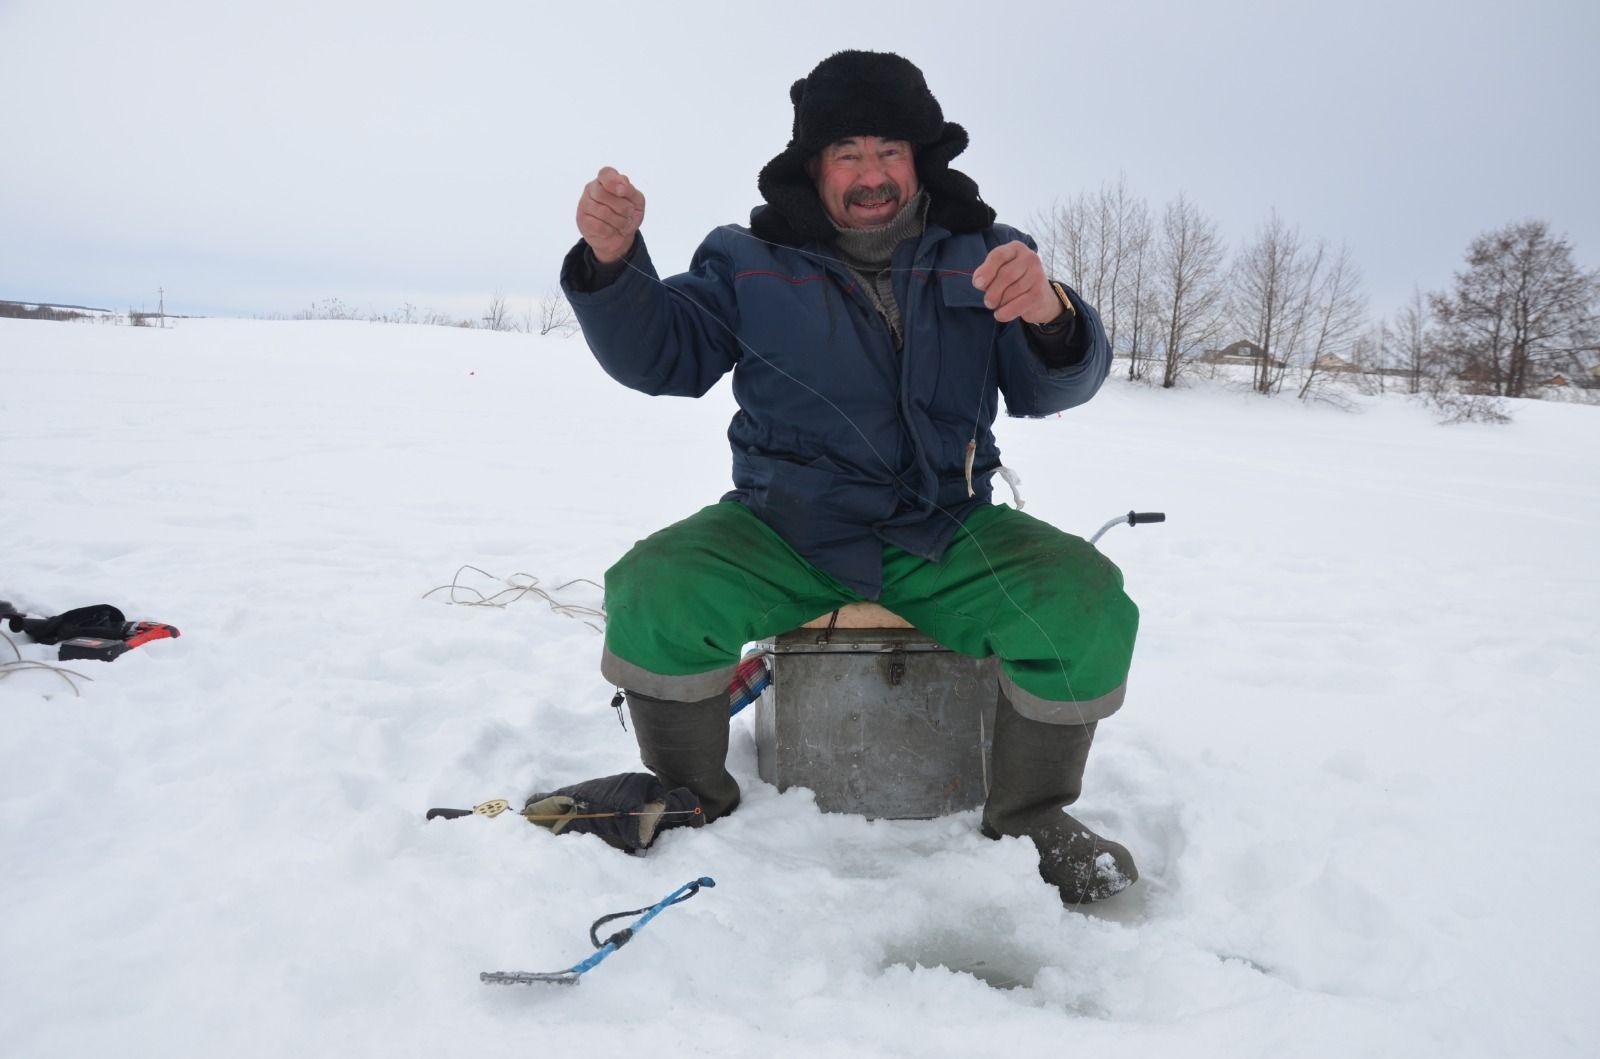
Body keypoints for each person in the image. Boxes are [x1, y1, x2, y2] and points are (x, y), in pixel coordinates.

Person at [558, 50, 1140, 904]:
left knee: (1084, 601)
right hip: (782, 529)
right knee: (656, 588)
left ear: (921, 159)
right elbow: (662, 353)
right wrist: (613, 266)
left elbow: (1054, 383)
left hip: (943, 529)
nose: (871, 173)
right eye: (847, 153)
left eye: (889, 150)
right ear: (813, 167)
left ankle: (1032, 820)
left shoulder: (990, 252)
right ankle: (688, 794)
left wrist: (1054, 315)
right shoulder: (746, 258)